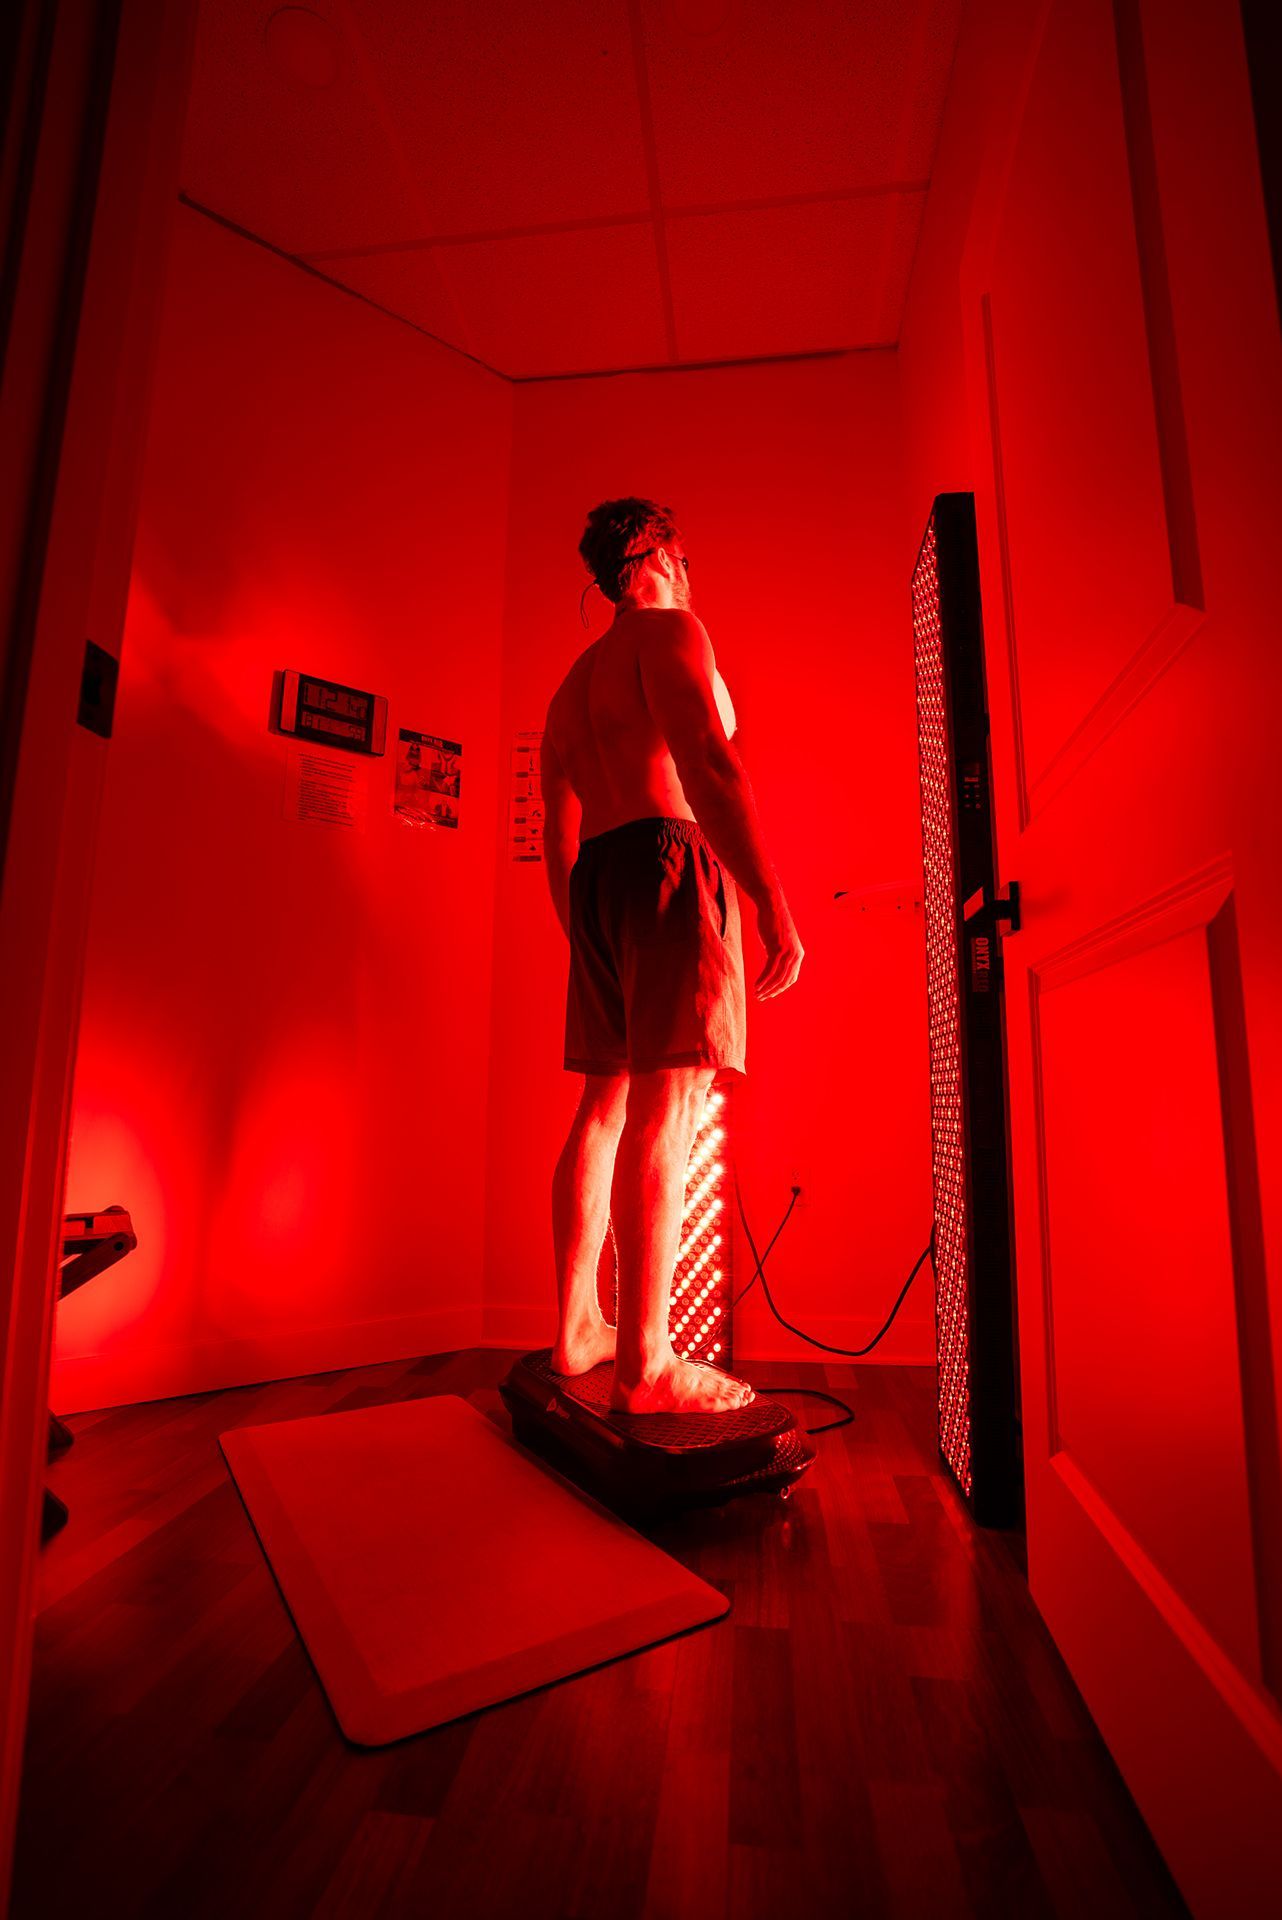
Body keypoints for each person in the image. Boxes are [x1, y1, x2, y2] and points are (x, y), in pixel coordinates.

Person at [540, 498, 804, 1415]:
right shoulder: (672, 630)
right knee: (674, 1098)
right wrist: (771, 900)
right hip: (669, 861)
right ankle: (647, 1366)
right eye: (686, 556)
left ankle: (579, 1326)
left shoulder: (570, 687)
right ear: (667, 556)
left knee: (603, 1102)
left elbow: (556, 835)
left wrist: (585, 935)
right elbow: (709, 764)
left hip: (599, 881)